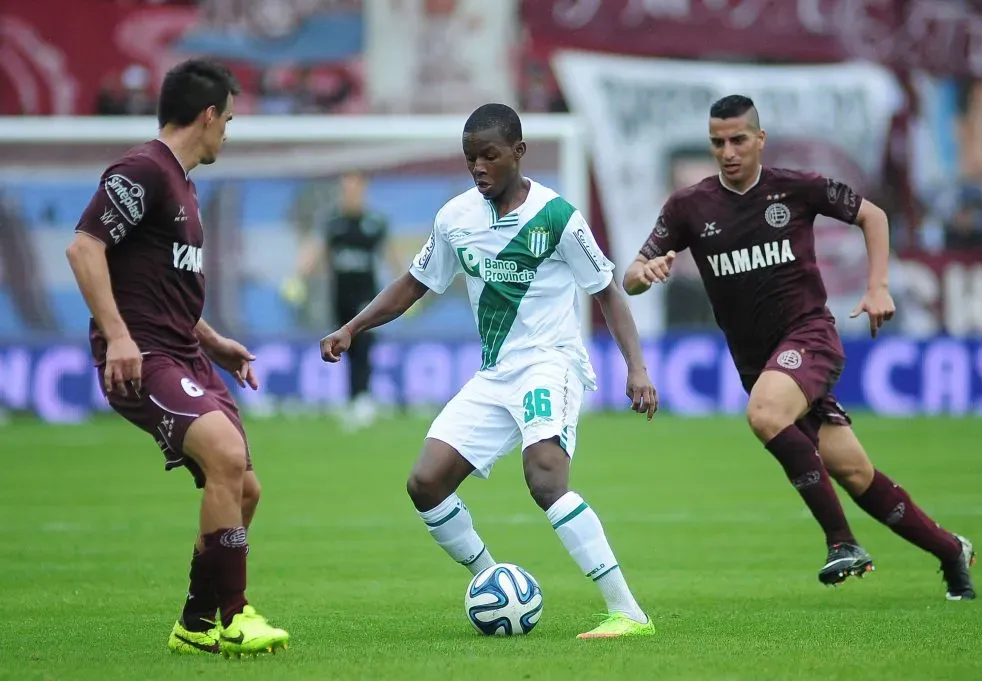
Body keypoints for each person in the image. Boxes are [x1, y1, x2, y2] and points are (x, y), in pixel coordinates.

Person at [321, 103, 658, 638]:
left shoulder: (558, 218)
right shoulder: (456, 218)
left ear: (519, 153)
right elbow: (413, 283)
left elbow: (607, 293)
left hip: (551, 364)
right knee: (425, 483)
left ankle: (627, 611)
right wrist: (352, 328)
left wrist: (636, 369)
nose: (478, 167)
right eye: (470, 158)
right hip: (495, 372)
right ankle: (493, 581)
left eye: (489, 156)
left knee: (545, 477)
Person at [622, 95, 977, 600]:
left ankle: (841, 543)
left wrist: (878, 286)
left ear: (759, 139)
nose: (728, 151)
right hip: (761, 363)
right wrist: (645, 272)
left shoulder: (795, 188)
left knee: (764, 414)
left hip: (809, 338)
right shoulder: (689, 206)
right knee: (856, 472)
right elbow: (631, 276)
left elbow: (872, 216)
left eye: (738, 140)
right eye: (717, 142)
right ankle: (951, 552)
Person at [66, 59, 290, 656]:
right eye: (229, 120)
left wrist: (213, 340)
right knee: (224, 451)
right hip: (144, 356)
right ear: (209, 114)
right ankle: (236, 616)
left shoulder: (182, 185)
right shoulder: (143, 170)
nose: (228, 133)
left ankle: (194, 624)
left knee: (245, 489)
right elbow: (84, 248)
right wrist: (117, 336)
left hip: (186, 353)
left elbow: (157, 284)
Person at [283, 171, 389, 428]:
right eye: (347, 188)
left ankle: (364, 399)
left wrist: (411, 286)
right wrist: (298, 277)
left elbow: (391, 253)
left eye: (355, 187)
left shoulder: (374, 223)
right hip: (341, 296)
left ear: (363, 190)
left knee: (364, 343)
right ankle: (355, 399)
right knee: (347, 348)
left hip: (367, 298)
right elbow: (315, 250)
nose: (351, 192)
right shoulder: (333, 222)